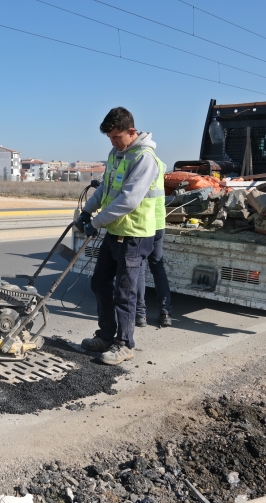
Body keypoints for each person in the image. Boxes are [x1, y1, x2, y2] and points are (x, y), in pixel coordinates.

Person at [75, 107, 163, 365]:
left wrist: (96, 223)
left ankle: (124, 344)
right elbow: (106, 187)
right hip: (115, 231)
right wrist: (86, 211)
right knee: (99, 283)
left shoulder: (144, 158)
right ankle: (105, 336)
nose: (113, 142)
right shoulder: (117, 153)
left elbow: (129, 200)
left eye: (116, 137)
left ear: (131, 132)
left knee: (124, 293)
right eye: (110, 138)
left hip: (134, 235)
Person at [135, 155, 172, 328]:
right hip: (159, 222)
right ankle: (165, 313)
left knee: (140, 268)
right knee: (157, 266)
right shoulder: (159, 163)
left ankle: (140, 315)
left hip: (144, 224)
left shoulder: (140, 162)